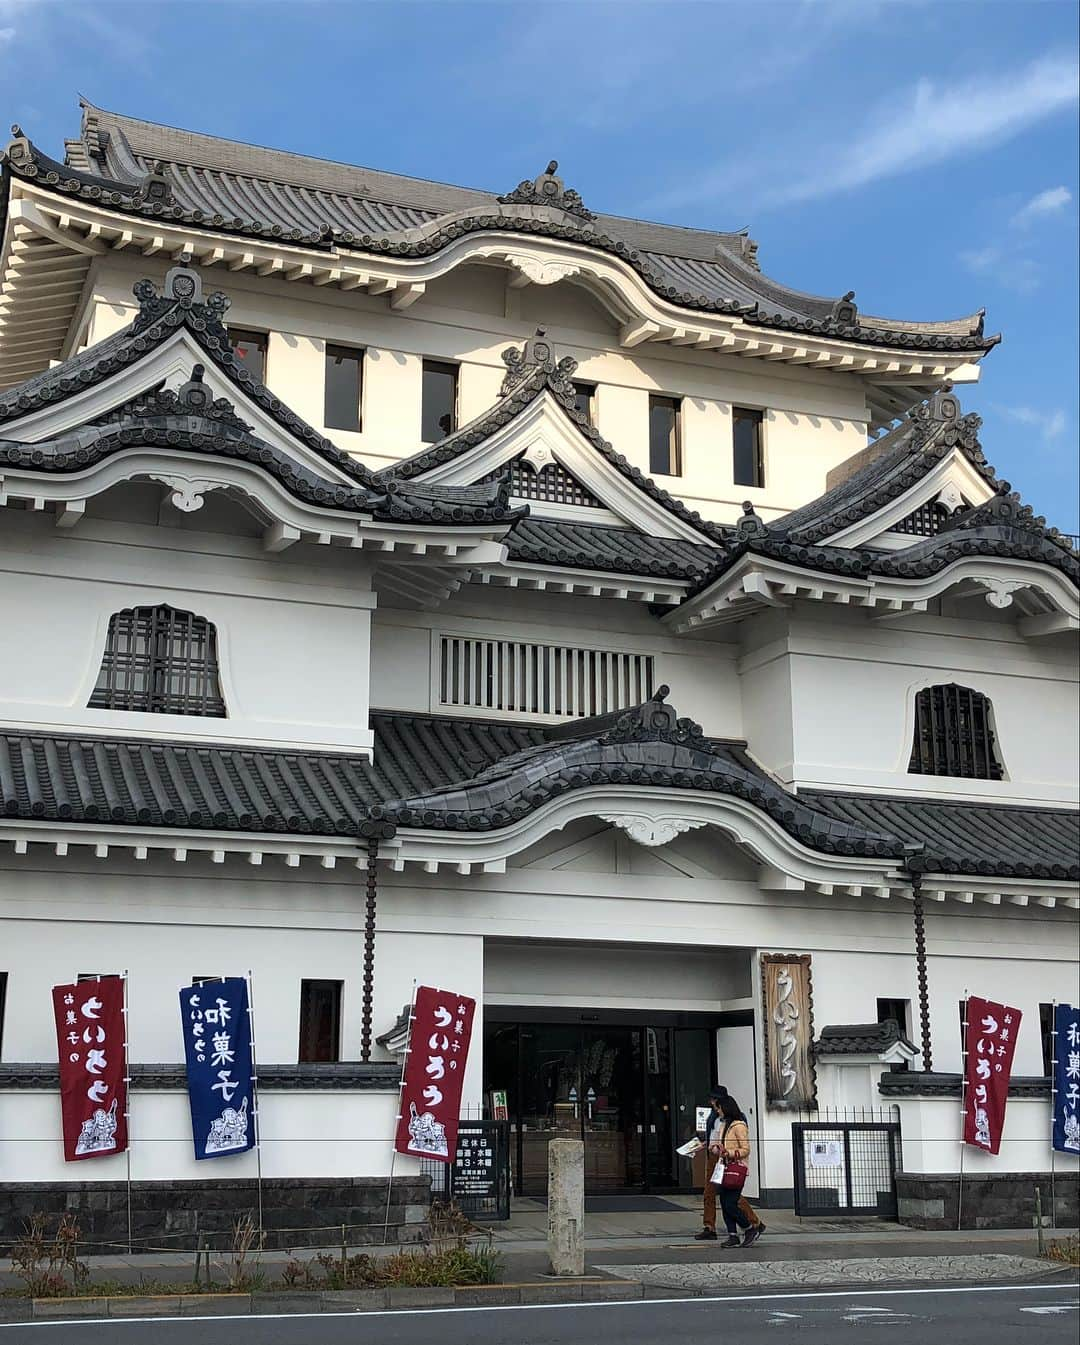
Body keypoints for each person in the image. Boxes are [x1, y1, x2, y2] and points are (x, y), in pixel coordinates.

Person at [694, 1086, 765, 1243]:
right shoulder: (714, 1118)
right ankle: (713, 1228)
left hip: (730, 1161)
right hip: (716, 1157)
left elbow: (744, 1147)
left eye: (714, 1100)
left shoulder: (736, 1121)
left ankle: (753, 1224)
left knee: (731, 1198)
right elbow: (715, 1138)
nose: (711, 1102)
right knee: (711, 1193)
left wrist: (729, 1153)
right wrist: (708, 1146)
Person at [710, 1093, 762, 1248]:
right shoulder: (723, 1125)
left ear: (725, 1108)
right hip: (723, 1167)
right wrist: (715, 1148)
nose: (717, 1111)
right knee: (725, 1203)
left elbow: (746, 1149)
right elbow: (718, 1145)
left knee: (731, 1203)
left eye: (718, 1108)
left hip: (736, 1169)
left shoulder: (739, 1126)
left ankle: (749, 1228)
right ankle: (732, 1235)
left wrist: (730, 1153)